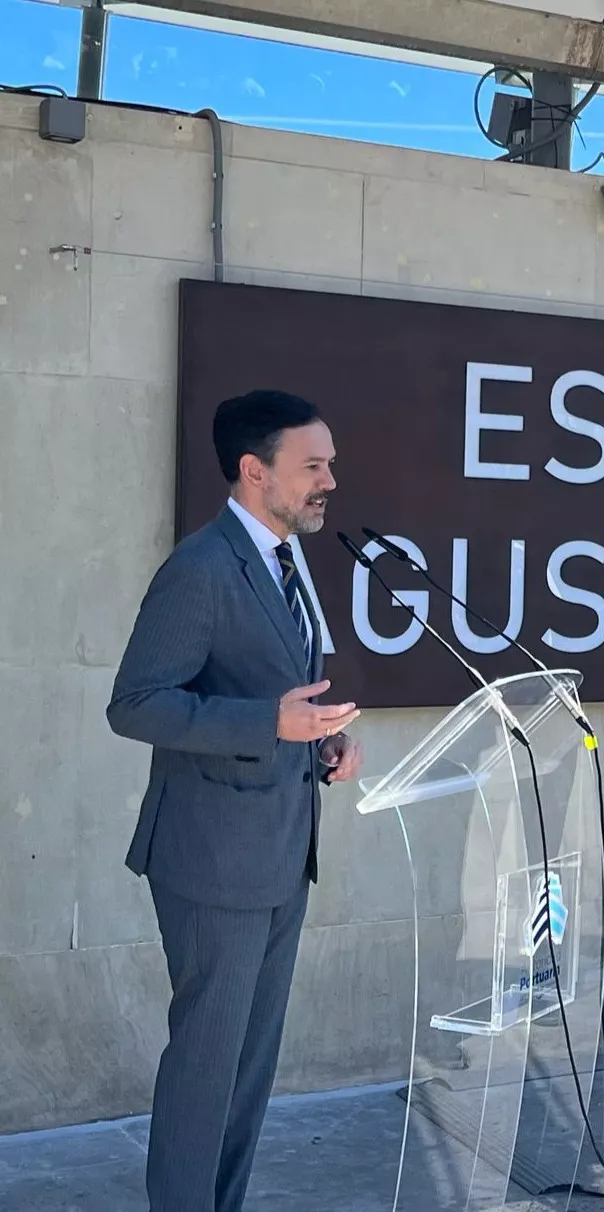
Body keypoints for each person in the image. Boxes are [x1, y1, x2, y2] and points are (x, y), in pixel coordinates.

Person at [107, 390, 365, 1212]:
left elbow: (279, 695)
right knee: (207, 1068)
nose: (330, 478)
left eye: (330, 461)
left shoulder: (288, 559)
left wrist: (320, 742)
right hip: (212, 860)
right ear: (255, 472)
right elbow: (137, 703)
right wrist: (268, 722)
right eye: (312, 465)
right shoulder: (200, 570)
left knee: (249, 1073)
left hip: (283, 852)